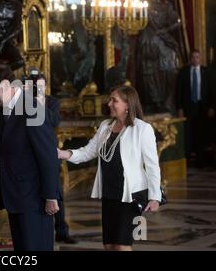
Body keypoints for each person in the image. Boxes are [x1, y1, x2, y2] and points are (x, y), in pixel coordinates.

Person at [58, 85, 162, 251]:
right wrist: (64, 154)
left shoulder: (142, 129)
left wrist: (155, 197)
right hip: (109, 193)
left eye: (114, 100)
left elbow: (152, 166)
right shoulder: (105, 126)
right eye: (110, 99)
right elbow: (88, 152)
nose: (109, 103)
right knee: (109, 246)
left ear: (127, 104)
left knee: (122, 245)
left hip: (131, 196)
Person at [0, 66, 60, 251]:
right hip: (17, 195)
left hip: (33, 197)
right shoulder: (7, 109)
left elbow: (47, 155)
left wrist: (50, 196)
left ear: (6, 85)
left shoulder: (31, 108)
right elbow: (6, 147)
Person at [36, 74, 77, 244]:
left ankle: (62, 230)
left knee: (56, 191)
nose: (39, 89)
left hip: (49, 150)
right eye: (36, 86)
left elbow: (53, 122)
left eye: (42, 86)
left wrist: (39, 104)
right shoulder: (23, 103)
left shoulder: (52, 102)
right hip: (32, 152)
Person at [137, 0, 180, 113]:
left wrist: (166, 30)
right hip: (149, 39)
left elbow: (177, 22)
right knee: (150, 65)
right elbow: (135, 21)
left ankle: (167, 100)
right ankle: (153, 99)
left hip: (163, 38)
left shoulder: (166, 6)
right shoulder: (143, 5)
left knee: (171, 66)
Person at [176, 49, 213, 167]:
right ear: (190, 59)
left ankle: (201, 160)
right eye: (193, 57)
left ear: (200, 58)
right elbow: (179, 91)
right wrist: (179, 107)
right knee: (187, 133)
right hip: (188, 107)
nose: (195, 59)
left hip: (202, 107)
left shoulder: (206, 72)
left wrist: (212, 107)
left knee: (201, 133)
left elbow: (211, 90)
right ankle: (187, 160)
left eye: (197, 57)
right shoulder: (184, 72)